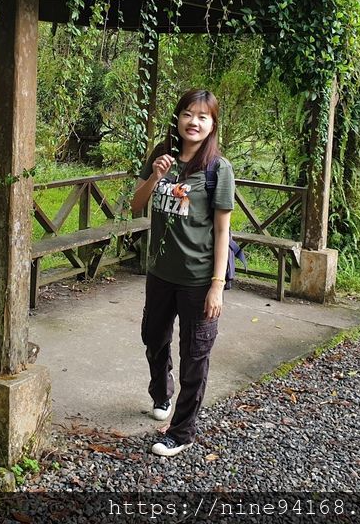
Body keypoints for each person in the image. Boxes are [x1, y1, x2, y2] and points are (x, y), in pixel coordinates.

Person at [131, 88, 235, 458]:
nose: (194, 122)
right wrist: (154, 177)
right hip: (160, 273)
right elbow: (136, 206)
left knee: (195, 354)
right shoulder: (162, 159)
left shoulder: (218, 170)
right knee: (153, 337)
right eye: (188, 114)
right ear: (178, 117)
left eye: (203, 117)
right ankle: (161, 392)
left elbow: (222, 230)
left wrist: (217, 287)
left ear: (212, 125)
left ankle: (182, 431)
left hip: (198, 279)